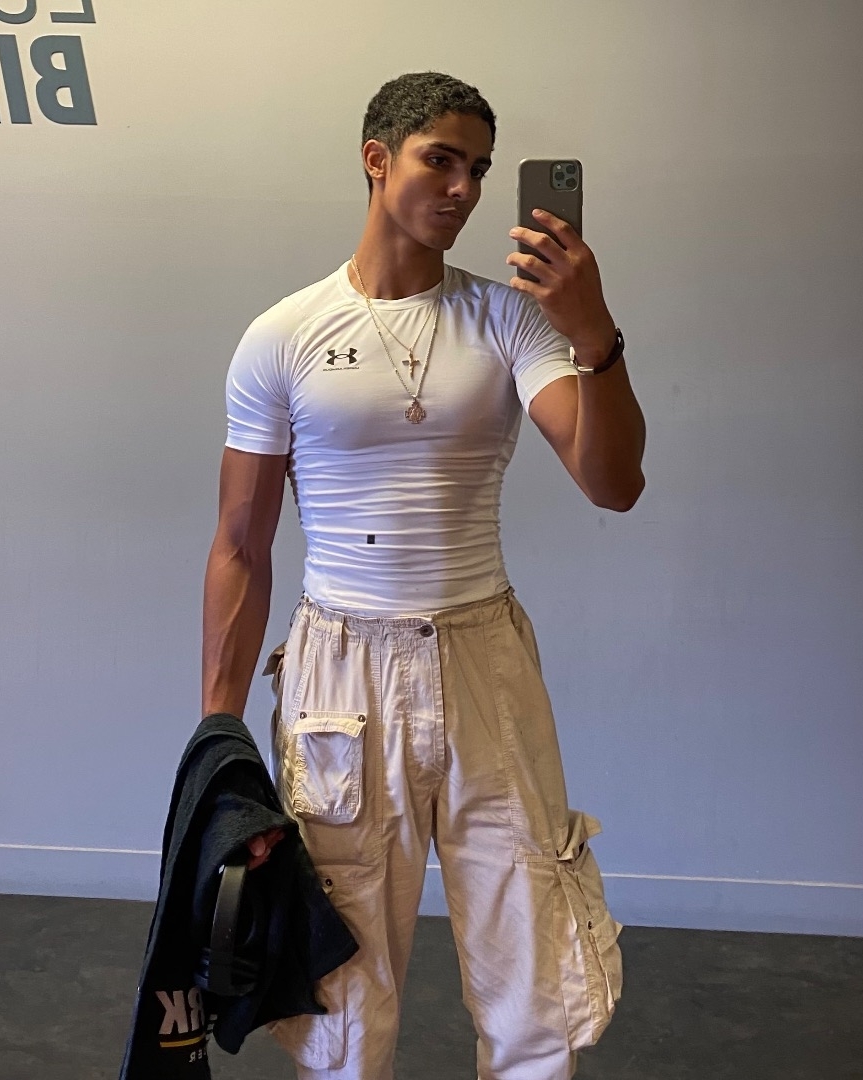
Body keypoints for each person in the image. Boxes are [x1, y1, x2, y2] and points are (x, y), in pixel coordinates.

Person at [201, 71, 645, 1080]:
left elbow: (612, 484)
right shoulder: (284, 334)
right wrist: (219, 746)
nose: (462, 188)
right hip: (340, 673)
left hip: (483, 658)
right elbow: (239, 544)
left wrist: (592, 333)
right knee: (344, 978)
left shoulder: (510, 320)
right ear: (376, 160)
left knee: (531, 954)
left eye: (477, 169)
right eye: (439, 160)